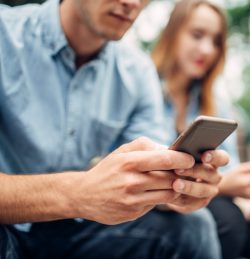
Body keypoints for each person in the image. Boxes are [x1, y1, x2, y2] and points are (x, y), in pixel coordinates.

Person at [0, 0, 229, 258]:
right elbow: (83, 194)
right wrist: (77, 192)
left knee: (194, 227)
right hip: (8, 225)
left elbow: (146, 174)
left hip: (79, 231)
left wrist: (175, 187)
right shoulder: (5, 35)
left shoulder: (138, 72)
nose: (132, 3)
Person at [152, 0, 250, 258]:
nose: (207, 49)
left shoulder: (216, 106)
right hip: (156, 210)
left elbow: (230, 173)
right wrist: (225, 186)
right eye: (197, 35)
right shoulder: (144, 89)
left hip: (210, 205)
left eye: (216, 41)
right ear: (173, 33)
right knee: (225, 218)